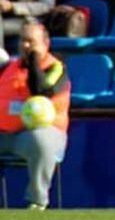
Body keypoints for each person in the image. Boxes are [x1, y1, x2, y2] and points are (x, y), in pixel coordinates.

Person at [0, 21, 69, 208]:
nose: (26, 46)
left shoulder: (56, 68)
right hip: (5, 134)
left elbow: (42, 92)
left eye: (31, 41)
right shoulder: (7, 67)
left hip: (37, 134)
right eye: (23, 40)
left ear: (45, 44)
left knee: (41, 140)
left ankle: (37, 201)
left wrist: (33, 63)